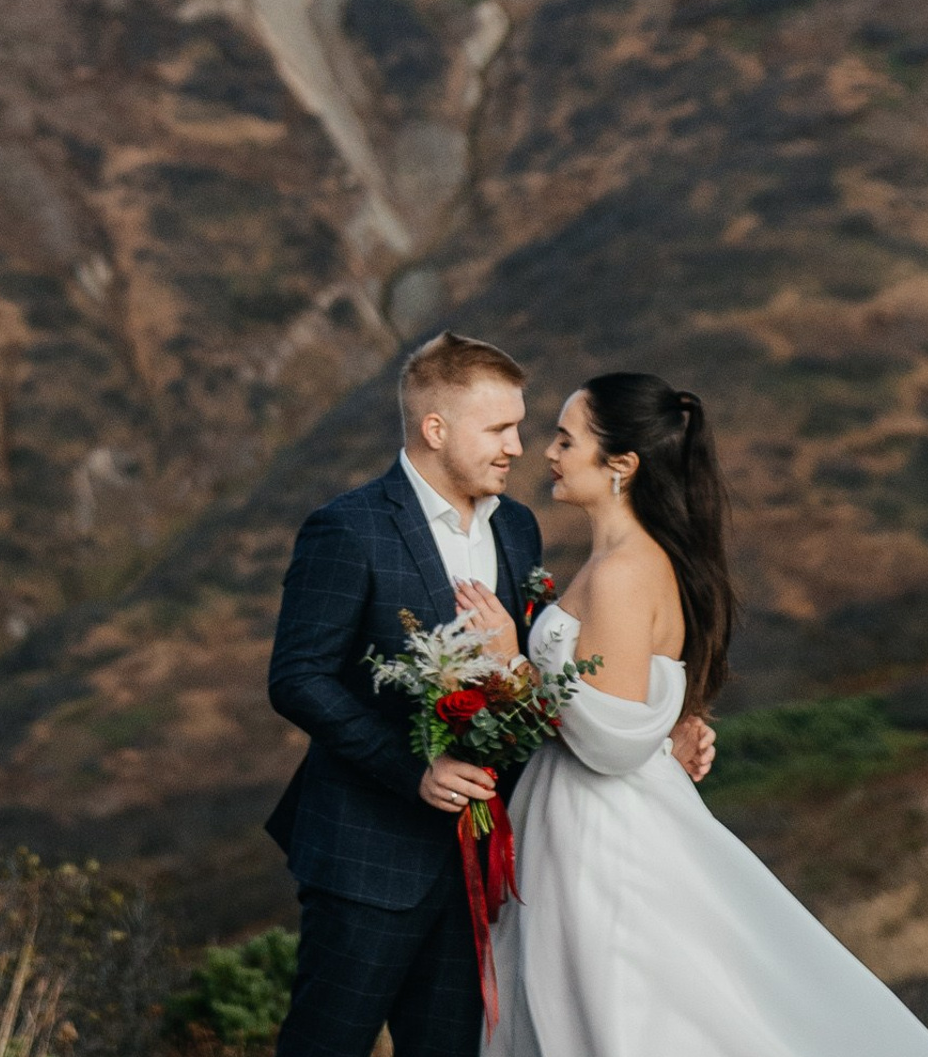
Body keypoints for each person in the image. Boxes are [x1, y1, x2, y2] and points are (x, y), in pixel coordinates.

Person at [264, 334, 715, 1057]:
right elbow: (297, 678)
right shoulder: (347, 529)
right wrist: (411, 770)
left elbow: (557, 670)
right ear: (435, 430)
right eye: (499, 429)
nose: (518, 447)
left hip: (493, 859)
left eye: (522, 427)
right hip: (369, 853)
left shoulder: (517, 528)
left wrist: (663, 730)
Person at [478, 373, 928, 1056]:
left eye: (565, 438)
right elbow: (639, 698)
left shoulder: (622, 572)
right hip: (575, 820)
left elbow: (607, 738)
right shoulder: (622, 561)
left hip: (600, 834)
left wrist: (510, 662)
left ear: (621, 464)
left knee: (619, 1013)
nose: (547, 452)